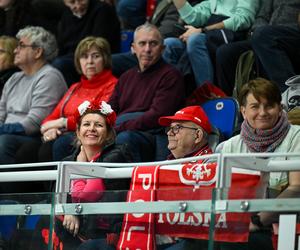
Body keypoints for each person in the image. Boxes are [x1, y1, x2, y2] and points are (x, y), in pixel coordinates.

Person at [76, 105, 213, 250]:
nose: (169, 133)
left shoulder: (211, 165)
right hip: (153, 234)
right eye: (169, 129)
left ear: (197, 135)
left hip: (188, 238)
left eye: (177, 128)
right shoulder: (165, 164)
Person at [30, 100, 132, 250]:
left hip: (105, 233)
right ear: (78, 132)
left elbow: (87, 195)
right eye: (86, 124)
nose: (92, 129)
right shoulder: (68, 160)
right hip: (79, 228)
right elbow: (56, 196)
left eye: (98, 125)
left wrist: (79, 165)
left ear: (109, 133)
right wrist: (69, 211)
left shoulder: (116, 156)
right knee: (44, 221)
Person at [220, 78, 300, 249]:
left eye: (269, 105)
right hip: (239, 225)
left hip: (285, 227)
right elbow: (221, 194)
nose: (263, 113)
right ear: (243, 111)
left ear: (280, 108)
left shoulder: (297, 137)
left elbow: (297, 188)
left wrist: (256, 222)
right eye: (255, 106)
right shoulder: (230, 146)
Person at [17, 36, 118, 163]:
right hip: (63, 133)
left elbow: (98, 118)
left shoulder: (113, 85)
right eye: (84, 57)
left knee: (56, 145)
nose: (90, 61)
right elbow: (49, 119)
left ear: (105, 60)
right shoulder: (75, 87)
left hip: (88, 135)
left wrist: (62, 123)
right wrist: (51, 129)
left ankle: (62, 183)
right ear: (78, 61)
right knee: (27, 150)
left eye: (96, 56)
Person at [109, 23, 185, 162]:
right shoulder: (126, 77)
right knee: (65, 141)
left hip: (151, 133)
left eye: (153, 44)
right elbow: (110, 109)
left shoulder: (171, 75)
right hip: (123, 128)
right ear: (133, 48)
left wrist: (119, 129)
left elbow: (158, 115)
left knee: (124, 138)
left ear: (162, 49)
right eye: (142, 43)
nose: (147, 49)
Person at [0, 26, 67, 166]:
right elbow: (1, 114)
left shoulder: (50, 76)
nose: (15, 50)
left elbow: (33, 123)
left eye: (21, 46)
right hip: (7, 133)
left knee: (4, 141)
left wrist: (2, 129)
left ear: (37, 52)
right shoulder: (14, 78)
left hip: (33, 137)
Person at [162, 0, 260, 88]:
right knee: (169, 44)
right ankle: (173, 95)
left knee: (194, 40)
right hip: (208, 35)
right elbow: (193, 18)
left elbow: (243, 19)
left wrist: (203, 30)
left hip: (232, 35)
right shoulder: (213, 2)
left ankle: (207, 95)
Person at [216, 0, 300, 95]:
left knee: (264, 36)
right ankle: (233, 104)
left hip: (293, 35)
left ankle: (292, 95)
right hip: (265, 36)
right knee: (225, 52)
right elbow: (262, 16)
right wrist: (255, 31)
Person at [53, 0, 120, 85]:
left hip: (93, 55)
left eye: (81, 1)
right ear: (65, 2)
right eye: (72, 2)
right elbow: (61, 45)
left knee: (60, 64)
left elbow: (99, 44)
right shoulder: (66, 14)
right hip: (72, 57)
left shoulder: (102, 10)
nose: (78, 6)